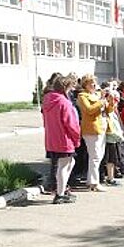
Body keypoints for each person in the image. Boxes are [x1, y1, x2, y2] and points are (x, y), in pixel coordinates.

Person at [42, 74, 80, 204]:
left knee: (67, 164)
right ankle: (60, 193)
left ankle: (60, 191)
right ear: (66, 88)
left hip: (51, 138)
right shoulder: (64, 102)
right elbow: (71, 123)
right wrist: (76, 138)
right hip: (64, 139)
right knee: (64, 166)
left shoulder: (47, 99)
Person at [77, 74, 114, 192]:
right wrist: (101, 101)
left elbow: (108, 110)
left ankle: (92, 180)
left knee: (99, 156)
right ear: (85, 85)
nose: (94, 85)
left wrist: (110, 101)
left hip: (102, 128)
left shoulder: (97, 95)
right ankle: (94, 182)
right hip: (91, 129)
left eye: (94, 83)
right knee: (95, 156)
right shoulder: (82, 96)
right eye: (91, 83)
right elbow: (89, 110)